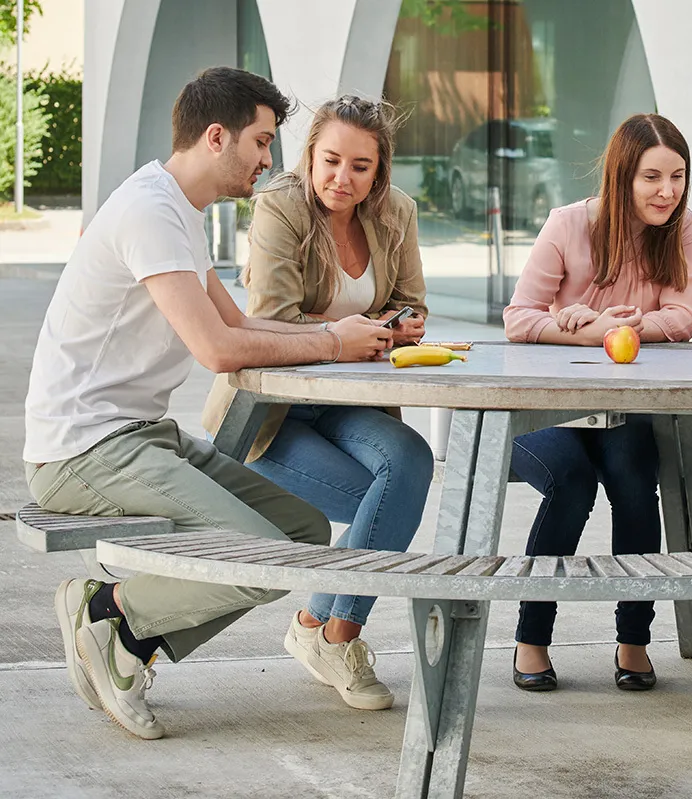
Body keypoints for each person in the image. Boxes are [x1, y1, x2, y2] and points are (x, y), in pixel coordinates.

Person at [25, 67, 394, 740]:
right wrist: (328, 341)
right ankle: (108, 613)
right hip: (82, 448)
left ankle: (128, 644)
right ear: (217, 136)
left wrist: (336, 338)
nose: (268, 159)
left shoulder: (178, 213)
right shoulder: (149, 211)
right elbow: (218, 349)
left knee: (303, 534)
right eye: (261, 141)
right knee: (259, 552)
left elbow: (244, 324)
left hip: (141, 436)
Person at [201, 95, 434, 711]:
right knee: (383, 508)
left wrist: (400, 324)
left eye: (361, 167)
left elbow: (411, 300)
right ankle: (330, 633)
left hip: (350, 399)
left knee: (410, 463)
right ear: (310, 156)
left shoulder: (396, 213)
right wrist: (351, 335)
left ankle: (327, 631)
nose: (343, 179)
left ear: (378, 172)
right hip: (273, 409)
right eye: (331, 160)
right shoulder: (279, 205)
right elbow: (272, 316)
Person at [503, 113, 692, 692]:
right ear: (621, 177)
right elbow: (519, 318)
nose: (668, 192)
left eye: (678, 176)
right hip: (547, 407)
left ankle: (633, 639)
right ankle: (531, 638)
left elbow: (683, 318)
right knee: (571, 480)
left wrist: (623, 325)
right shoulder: (568, 225)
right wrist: (584, 332)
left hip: (620, 408)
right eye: (652, 178)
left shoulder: (680, 227)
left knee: (637, 481)